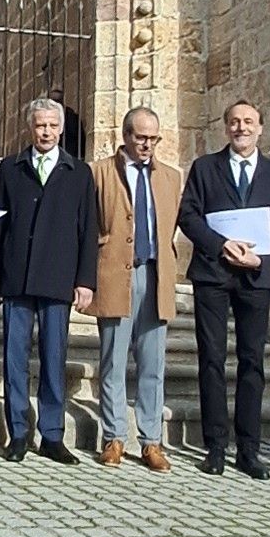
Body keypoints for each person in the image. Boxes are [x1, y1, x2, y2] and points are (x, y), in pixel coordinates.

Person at [177, 99, 270, 479]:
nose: (241, 128)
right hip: (213, 273)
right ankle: (215, 446)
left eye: (248, 122)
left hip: (255, 276)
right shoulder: (205, 168)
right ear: (226, 128)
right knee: (211, 360)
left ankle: (249, 448)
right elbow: (188, 216)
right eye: (235, 122)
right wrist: (220, 244)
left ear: (260, 128)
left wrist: (262, 258)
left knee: (252, 362)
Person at [0, 96, 98, 464]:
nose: (46, 131)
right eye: (39, 125)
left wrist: (85, 281)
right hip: (16, 275)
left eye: (52, 125)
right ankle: (18, 433)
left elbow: (88, 230)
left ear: (61, 129)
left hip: (58, 278)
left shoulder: (79, 173)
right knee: (14, 357)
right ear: (29, 127)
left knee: (54, 357)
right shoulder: (11, 169)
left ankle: (51, 434)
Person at [91, 106, 182, 470]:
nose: (147, 145)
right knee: (113, 358)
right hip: (114, 273)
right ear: (125, 136)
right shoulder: (99, 173)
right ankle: (113, 436)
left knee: (152, 361)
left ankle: (151, 440)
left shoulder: (172, 178)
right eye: (141, 138)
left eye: (153, 138)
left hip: (155, 274)